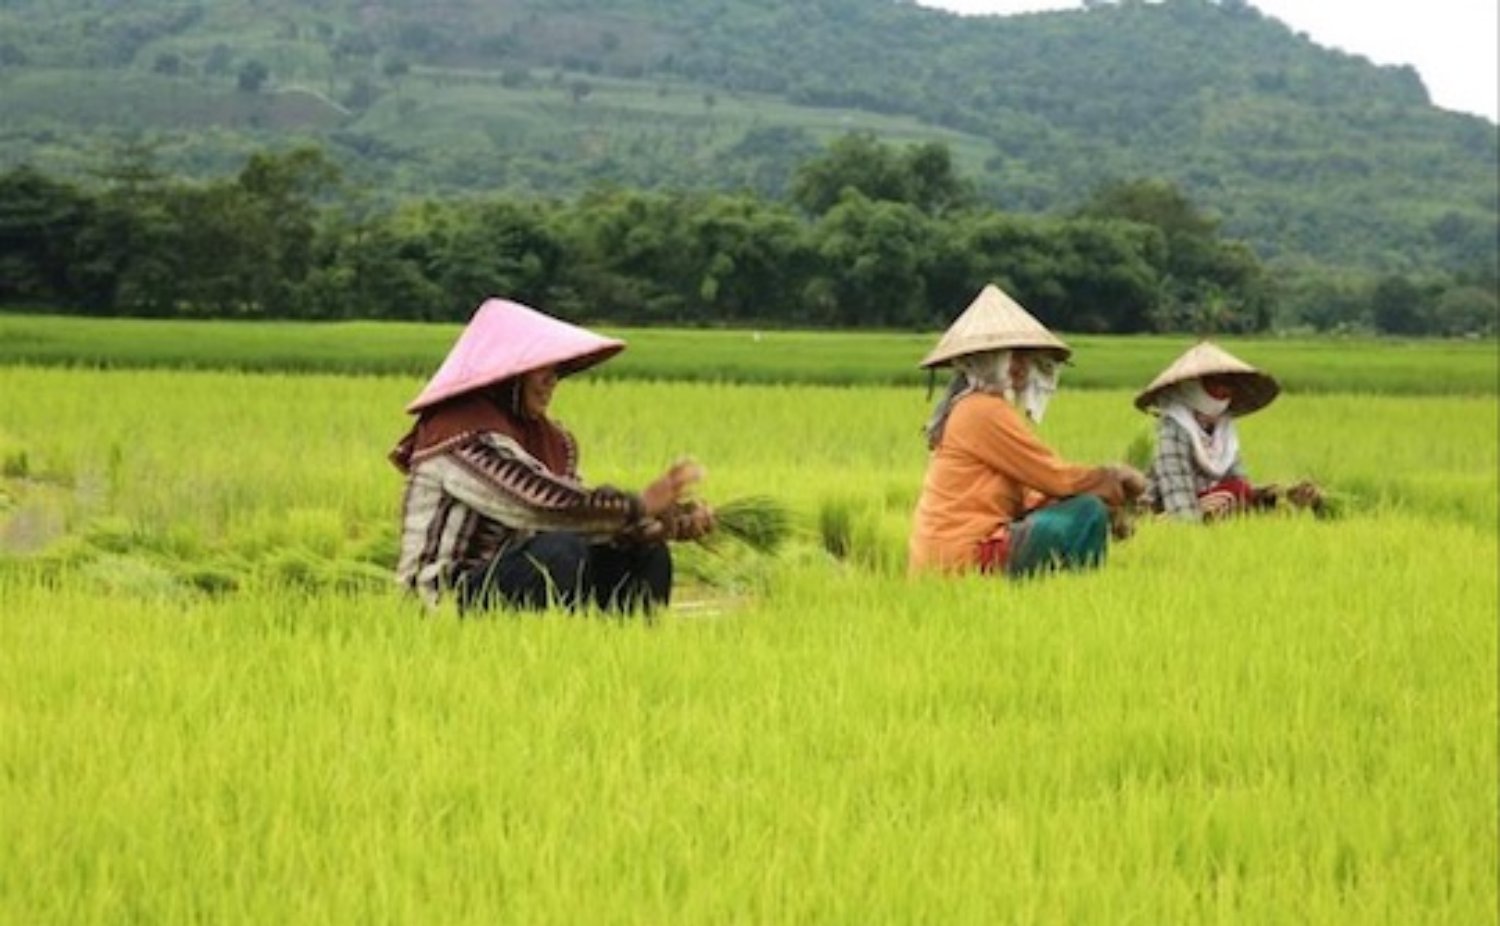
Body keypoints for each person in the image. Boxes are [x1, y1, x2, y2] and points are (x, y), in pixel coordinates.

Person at [390, 297, 713, 614]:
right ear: (508, 374)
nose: (552, 382)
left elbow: (588, 524)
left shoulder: (551, 440)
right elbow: (538, 504)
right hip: (443, 600)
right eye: (540, 370)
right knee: (560, 550)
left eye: (556, 371)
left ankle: (628, 655)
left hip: (509, 581)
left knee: (643, 552)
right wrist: (638, 505)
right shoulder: (459, 433)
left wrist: (667, 523)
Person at [908, 284, 1145, 578]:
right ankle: (1075, 595)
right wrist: (1112, 479)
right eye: (1011, 356)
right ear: (985, 360)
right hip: (964, 555)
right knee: (1087, 513)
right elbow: (1055, 478)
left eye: (1025, 356)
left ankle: (1067, 595)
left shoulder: (978, 408)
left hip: (952, 554)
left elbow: (1033, 494)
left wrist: (1111, 501)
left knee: (1088, 507)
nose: (1021, 366)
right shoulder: (983, 410)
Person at [1135, 340, 1317, 521]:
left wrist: (1273, 497)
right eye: (1214, 383)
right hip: (1163, 510)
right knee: (1230, 497)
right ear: (1191, 386)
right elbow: (1178, 496)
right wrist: (1191, 533)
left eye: (1227, 383)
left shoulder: (1223, 430)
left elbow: (1239, 482)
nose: (1223, 391)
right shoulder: (1174, 430)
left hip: (1208, 503)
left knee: (1241, 492)